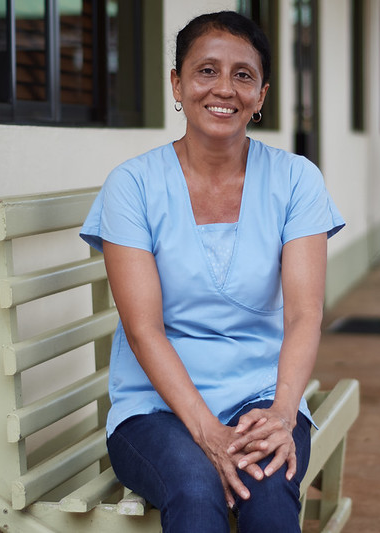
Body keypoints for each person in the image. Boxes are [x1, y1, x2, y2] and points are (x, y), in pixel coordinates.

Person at [80, 10, 344, 532]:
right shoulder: (132, 186)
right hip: (155, 406)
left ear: (261, 95)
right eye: (206, 71)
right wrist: (208, 434)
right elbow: (143, 329)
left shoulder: (296, 181)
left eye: (243, 75)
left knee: (267, 490)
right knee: (196, 490)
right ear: (177, 83)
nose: (224, 88)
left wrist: (283, 415)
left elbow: (304, 315)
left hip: (263, 396)